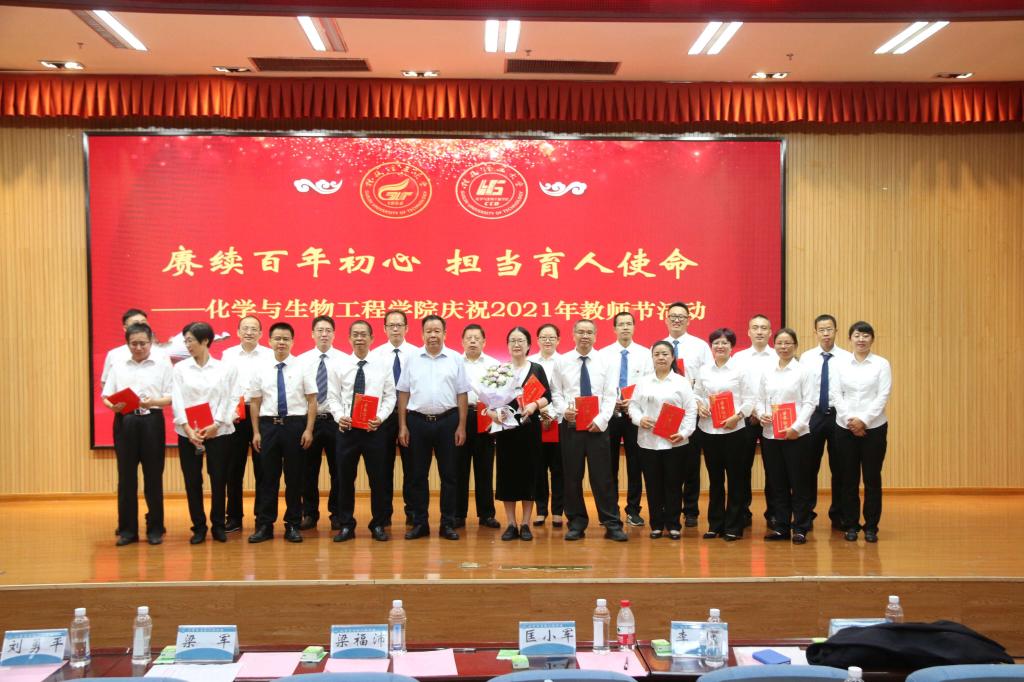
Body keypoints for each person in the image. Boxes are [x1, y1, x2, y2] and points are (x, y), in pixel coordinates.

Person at [550, 319, 628, 542]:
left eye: (589, 332)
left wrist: (602, 420)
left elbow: (611, 394)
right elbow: (556, 392)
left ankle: (612, 523)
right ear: (573, 334)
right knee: (572, 477)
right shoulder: (562, 361)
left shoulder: (606, 361)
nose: (585, 336)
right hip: (571, 425)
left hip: (598, 427)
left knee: (603, 477)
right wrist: (564, 411)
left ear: (595, 336)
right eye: (581, 332)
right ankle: (576, 523)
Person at [396, 315, 469, 541]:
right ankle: (420, 523)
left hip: (448, 422)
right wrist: (402, 426)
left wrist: (462, 426)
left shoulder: (455, 359)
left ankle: (447, 523)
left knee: (450, 476)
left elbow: (462, 394)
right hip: (417, 422)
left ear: (445, 334)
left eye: (437, 331)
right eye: (429, 331)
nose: (433, 335)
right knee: (417, 476)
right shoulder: (412, 359)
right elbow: (403, 393)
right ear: (422, 334)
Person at [102, 323, 172, 546]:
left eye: (143, 343)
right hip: (126, 421)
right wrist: (112, 406)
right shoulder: (118, 365)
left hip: (152, 420)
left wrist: (152, 402)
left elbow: (171, 396)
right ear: (127, 344)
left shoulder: (162, 364)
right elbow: (106, 395)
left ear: (151, 342)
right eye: (134, 344)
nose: (139, 347)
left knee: (153, 477)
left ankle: (155, 529)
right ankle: (127, 531)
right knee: (126, 478)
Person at [171, 322, 242, 544]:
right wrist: (187, 427)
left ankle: (218, 525)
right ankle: (199, 527)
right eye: (185, 341)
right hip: (189, 433)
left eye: (191, 340)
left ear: (205, 341)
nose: (187, 345)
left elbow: (231, 398)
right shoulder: (180, 369)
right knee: (192, 480)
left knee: (219, 479)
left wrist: (217, 424)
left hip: (218, 432)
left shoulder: (225, 368)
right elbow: (177, 399)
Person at [247, 322, 317, 544]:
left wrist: (309, 429)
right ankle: (265, 525)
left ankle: (293, 525)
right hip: (268, 426)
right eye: (277, 338)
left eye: (286, 339)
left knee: (295, 478)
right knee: (267, 478)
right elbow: (255, 402)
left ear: (292, 341)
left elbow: (312, 400)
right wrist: (256, 432)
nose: (281, 342)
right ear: (269, 341)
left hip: (295, 426)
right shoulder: (260, 368)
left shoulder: (303, 366)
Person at [328, 320, 397, 542]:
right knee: (344, 479)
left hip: (373, 430)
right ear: (349, 338)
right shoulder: (339, 365)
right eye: (355, 334)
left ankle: (378, 524)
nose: (359, 338)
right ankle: (346, 525)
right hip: (347, 430)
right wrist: (339, 416)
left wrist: (381, 417)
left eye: (364, 334)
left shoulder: (383, 365)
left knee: (379, 479)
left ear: (372, 338)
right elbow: (332, 397)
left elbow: (390, 396)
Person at [487, 327, 551, 541]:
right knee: (508, 475)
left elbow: (547, 396)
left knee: (529, 474)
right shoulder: (500, 371)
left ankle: (525, 523)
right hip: (506, 431)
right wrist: (493, 414)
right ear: (507, 345)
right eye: (513, 340)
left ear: (529, 345)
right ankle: (511, 524)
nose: (517, 344)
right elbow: (489, 403)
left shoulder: (536, 369)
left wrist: (534, 405)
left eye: (521, 340)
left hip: (529, 430)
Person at [628, 341, 697, 540]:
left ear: (672, 357)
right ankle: (657, 525)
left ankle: (673, 525)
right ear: (652, 357)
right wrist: (639, 419)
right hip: (648, 442)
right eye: (657, 354)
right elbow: (633, 406)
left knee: (674, 485)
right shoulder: (644, 381)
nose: (661, 357)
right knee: (653, 485)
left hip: (675, 442)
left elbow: (691, 410)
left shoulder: (681, 382)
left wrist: (684, 433)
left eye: (665, 354)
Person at [831, 321, 892, 543]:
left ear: (872, 339)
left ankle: (871, 526)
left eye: (866, 335)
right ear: (850, 338)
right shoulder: (840, 364)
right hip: (845, 427)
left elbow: (883, 395)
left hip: (874, 428)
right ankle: (851, 524)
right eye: (857, 335)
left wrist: (864, 421)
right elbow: (836, 395)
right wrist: (851, 420)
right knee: (848, 479)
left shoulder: (881, 364)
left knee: (872, 478)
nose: (861, 339)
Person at [754, 328, 815, 544]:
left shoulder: (803, 371)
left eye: (788, 343)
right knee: (777, 483)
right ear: (775, 346)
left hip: (796, 435)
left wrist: (797, 427)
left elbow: (809, 402)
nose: (783, 347)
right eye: (780, 343)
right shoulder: (768, 371)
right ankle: (781, 526)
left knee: (799, 483)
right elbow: (760, 399)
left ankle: (800, 527)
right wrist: (761, 414)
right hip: (771, 435)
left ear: (795, 345)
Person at [695, 328, 753, 541]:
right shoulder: (704, 370)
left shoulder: (741, 370)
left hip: (734, 430)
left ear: (731, 347)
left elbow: (750, 399)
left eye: (724, 343)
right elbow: (697, 394)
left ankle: (734, 526)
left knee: (736, 479)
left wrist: (737, 417)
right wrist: (700, 405)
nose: (720, 346)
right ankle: (715, 524)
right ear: (711, 347)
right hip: (709, 430)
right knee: (715, 479)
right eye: (716, 343)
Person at [799, 314, 853, 530]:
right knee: (807, 467)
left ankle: (839, 515)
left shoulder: (847, 357)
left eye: (829, 329)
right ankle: (806, 514)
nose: (826, 334)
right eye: (821, 330)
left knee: (840, 467)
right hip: (814, 415)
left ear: (836, 331)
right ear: (815, 332)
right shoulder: (806, 358)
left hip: (839, 416)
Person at [661, 301, 712, 528]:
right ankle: (668, 507)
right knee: (668, 462)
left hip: (693, 410)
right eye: (672, 316)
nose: (676, 320)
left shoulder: (700, 346)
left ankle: (691, 510)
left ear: (689, 320)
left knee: (691, 463)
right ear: (666, 319)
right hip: (668, 411)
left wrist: (701, 402)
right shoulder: (660, 347)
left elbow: (708, 379)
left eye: (681, 316)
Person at [220, 315, 273, 533]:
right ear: (238, 332)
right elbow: (223, 386)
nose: (249, 332)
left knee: (264, 469)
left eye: (253, 329)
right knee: (233, 469)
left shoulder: (269, 355)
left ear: (261, 334)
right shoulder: (228, 355)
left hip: (261, 415)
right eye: (245, 328)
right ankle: (233, 517)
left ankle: (262, 517)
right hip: (236, 416)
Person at [599, 311, 652, 528]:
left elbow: (649, 383)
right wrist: (612, 402)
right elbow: (600, 385)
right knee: (608, 464)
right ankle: (611, 511)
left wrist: (633, 401)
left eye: (629, 324)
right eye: (621, 324)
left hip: (634, 415)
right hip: (610, 414)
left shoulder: (645, 354)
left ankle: (633, 510)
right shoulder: (603, 354)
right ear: (614, 329)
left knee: (635, 463)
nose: (625, 327)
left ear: (634, 327)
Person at [297, 315, 350, 531]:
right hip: (310, 422)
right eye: (320, 330)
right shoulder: (301, 360)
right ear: (312, 334)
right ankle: (309, 513)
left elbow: (348, 392)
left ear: (334, 334)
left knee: (338, 470)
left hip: (336, 421)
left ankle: (336, 513)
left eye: (328, 330)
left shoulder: (345, 360)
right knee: (307, 471)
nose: (324, 334)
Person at [370, 309, 419, 528]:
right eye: (391, 325)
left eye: (399, 325)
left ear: (407, 328)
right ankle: (384, 515)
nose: (396, 329)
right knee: (382, 467)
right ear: (384, 329)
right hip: (383, 417)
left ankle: (413, 512)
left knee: (413, 467)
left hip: (411, 416)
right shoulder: (375, 355)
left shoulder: (417, 354)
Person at [733, 314, 778, 528]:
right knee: (742, 467)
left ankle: (774, 513)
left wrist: (763, 412)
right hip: (745, 419)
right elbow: (734, 390)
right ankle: (743, 512)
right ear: (748, 332)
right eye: (755, 328)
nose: (759, 331)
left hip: (772, 419)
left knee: (774, 469)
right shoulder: (738, 358)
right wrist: (750, 410)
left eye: (764, 328)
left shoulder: (779, 356)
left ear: (770, 332)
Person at [457, 324, 500, 529]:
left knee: (485, 468)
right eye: (469, 338)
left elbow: (501, 395)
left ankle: (486, 514)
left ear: (484, 342)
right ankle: (458, 515)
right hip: (460, 418)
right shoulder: (455, 363)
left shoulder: (494, 364)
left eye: (477, 338)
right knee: (459, 468)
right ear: (462, 341)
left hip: (485, 417)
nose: (473, 341)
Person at [528, 323, 564, 528]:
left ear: (558, 340)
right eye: (543, 337)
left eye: (551, 337)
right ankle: (541, 511)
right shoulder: (531, 364)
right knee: (538, 469)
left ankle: (558, 512)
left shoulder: (566, 361)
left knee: (559, 469)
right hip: (536, 421)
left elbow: (566, 392)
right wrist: (539, 411)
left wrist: (554, 413)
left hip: (560, 421)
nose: (547, 340)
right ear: (537, 340)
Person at [100, 308, 168, 388]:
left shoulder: (161, 354)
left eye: (143, 323)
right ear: (125, 328)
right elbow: (105, 383)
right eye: (136, 324)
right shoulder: (114, 354)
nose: (140, 326)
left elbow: (168, 387)